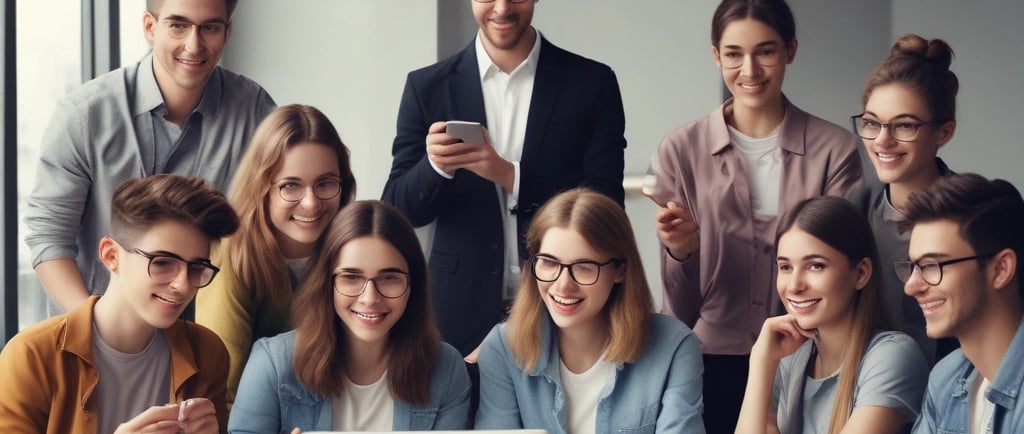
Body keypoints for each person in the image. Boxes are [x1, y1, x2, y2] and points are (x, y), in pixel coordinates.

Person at [646, 1, 861, 431]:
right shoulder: (680, 150)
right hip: (707, 364)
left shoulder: (835, 150)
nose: (750, 69)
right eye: (733, 54)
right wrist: (683, 250)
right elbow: (682, 311)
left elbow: (843, 272)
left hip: (808, 360)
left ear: (790, 51)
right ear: (715, 55)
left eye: (765, 51)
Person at [381, 0, 626, 359]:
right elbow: (397, 211)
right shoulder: (427, 87)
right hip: (457, 313)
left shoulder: (592, 83)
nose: (502, 8)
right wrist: (434, 166)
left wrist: (510, 175)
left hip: (565, 304)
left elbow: (606, 205)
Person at [24, 0, 276, 314]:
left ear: (227, 32)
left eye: (209, 27)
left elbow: (276, 220)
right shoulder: (84, 115)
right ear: (149, 27)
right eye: (178, 25)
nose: (193, 45)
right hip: (92, 327)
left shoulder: (254, 112)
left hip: (203, 336)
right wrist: (94, 327)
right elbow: (49, 236)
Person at [0, 174, 239, 433]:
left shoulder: (207, 353)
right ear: (111, 255)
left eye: (196, 267)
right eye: (162, 263)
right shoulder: (31, 356)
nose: (183, 285)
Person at [229, 200, 471, 433]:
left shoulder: (446, 369)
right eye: (351, 277)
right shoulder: (271, 364)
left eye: (389, 278)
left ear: (413, 285)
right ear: (327, 283)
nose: (370, 298)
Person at [475, 189, 704, 434]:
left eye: (584, 267)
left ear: (620, 271)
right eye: (549, 262)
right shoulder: (502, 348)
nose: (563, 284)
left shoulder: (674, 347)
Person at [195, 104, 356, 406]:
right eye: (290, 186)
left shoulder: (355, 249)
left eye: (325, 183)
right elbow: (222, 391)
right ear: (261, 187)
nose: (311, 203)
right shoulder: (231, 256)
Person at [734, 196, 927, 434]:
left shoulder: (892, 356)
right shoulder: (791, 359)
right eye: (785, 267)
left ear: (861, 273)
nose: (794, 285)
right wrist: (761, 362)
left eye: (815, 266)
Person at [848, 34, 959, 364]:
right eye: (871, 123)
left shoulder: (978, 217)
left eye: (904, 126)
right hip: (868, 395)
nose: (883, 141)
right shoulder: (853, 215)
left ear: (944, 132)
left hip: (956, 401)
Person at [900, 174, 1024, 433]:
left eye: (931, 266)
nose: (911, 286)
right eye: (913, 267)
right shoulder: (945, 379)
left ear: (1001, 269)